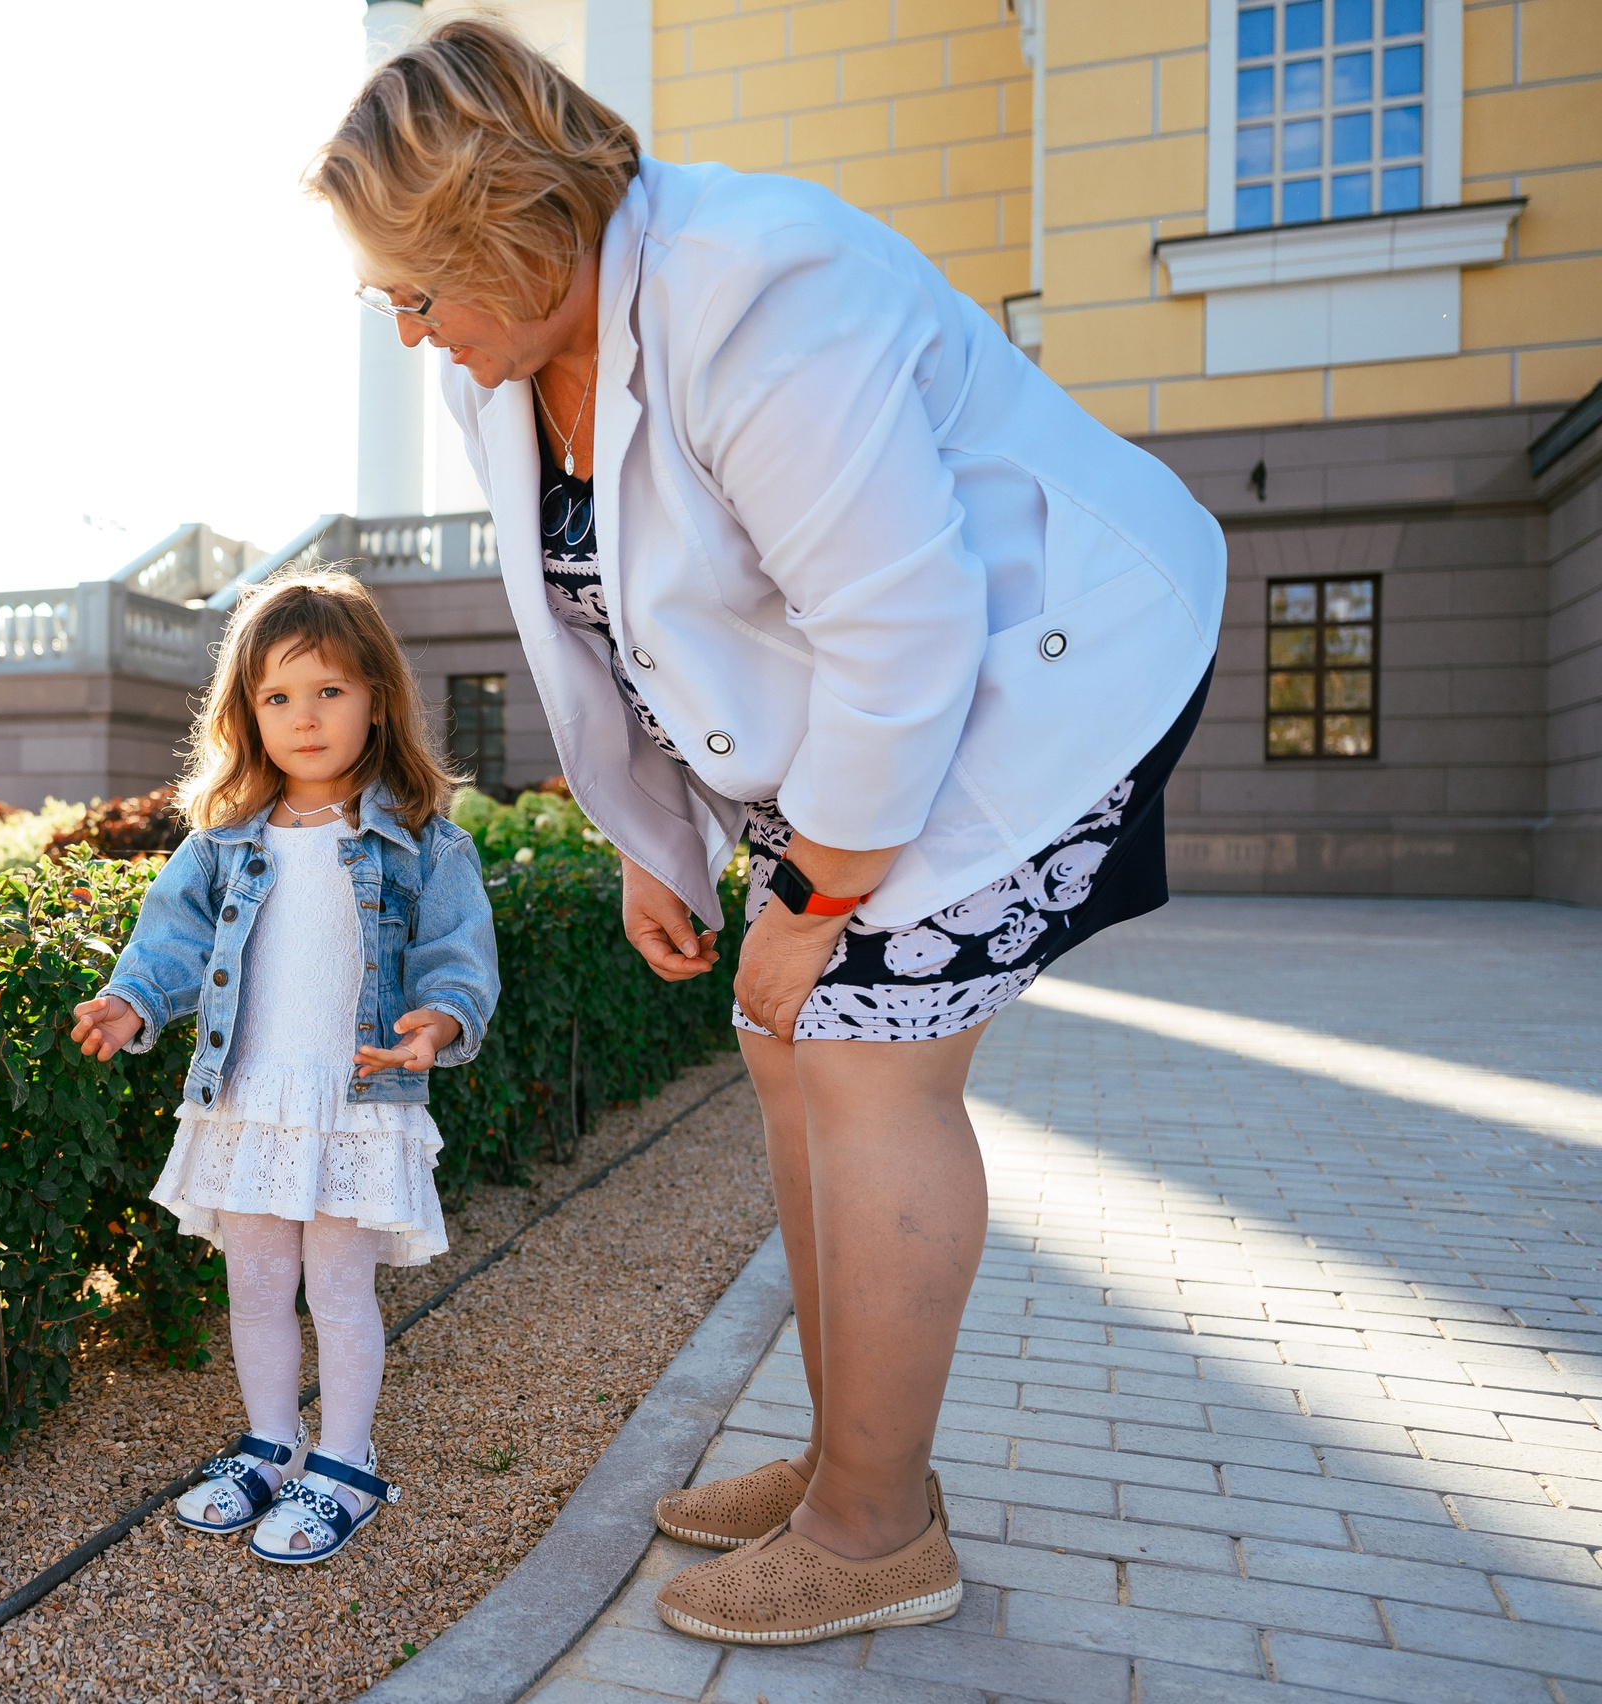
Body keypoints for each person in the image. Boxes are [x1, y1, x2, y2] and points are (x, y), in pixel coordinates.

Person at [309, 19, 1224, 1644]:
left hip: (1045, 679)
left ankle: (878, 1529)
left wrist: (815, 889)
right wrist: (655, 844)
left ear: (508, 234)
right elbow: (616, 635)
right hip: (872, 722)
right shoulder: (506, 369)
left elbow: (902, 625)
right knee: (782, 1034)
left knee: (867, 1048)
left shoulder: (759, 289)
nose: (406, 326)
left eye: (416, 284)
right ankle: (847, 1460)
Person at [71, 569, 500, 1566]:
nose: (303, 718)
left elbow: (454, 958)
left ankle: (344, 1464)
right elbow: (170, 945)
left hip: (353, 1098)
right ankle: (270, 1445)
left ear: (378, 700)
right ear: (246, 712)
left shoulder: (422, 842)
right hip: (251, 1097)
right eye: (277, 697)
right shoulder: (226, 841)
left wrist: (435, 1024)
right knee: (256, 1280)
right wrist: (131, 1001)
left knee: (338, 1289)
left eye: (329, 691)